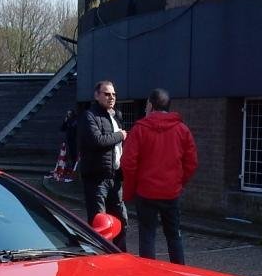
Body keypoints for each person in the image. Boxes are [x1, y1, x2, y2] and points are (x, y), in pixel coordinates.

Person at [121, 88, 198, 264]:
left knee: (147, 236)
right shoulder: (182, 129)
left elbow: (128, 162)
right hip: (171, 192)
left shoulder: (140, 129)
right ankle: (179, 273)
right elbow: (191, 162)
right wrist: (179, 182)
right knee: (174, 236)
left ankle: (149, 274)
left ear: (151, 105)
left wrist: (131, 189)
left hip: (146, 192)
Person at [78, 80, 128, 249]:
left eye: (113, 94)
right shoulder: (89, 116)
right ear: (96, 95)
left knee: (121, 220)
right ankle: (99, 256)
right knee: (99, 223)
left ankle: (121, 255)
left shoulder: (116, 116)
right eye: (107, 94)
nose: (111, 97)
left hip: (115, 177)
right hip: (96, 178)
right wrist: (120, 135)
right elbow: (97, 140)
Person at [60, 108, 79, 182]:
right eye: (67, 114)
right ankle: (71, 168)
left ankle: (75, 168)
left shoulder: (75, 120)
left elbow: (75, 129)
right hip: (69, 140)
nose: (68, 115)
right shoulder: (67, 120)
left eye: (69, 114)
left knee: (75, 154)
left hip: (75, 141)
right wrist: (65, 121)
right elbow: (62, 129)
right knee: (70, 154)